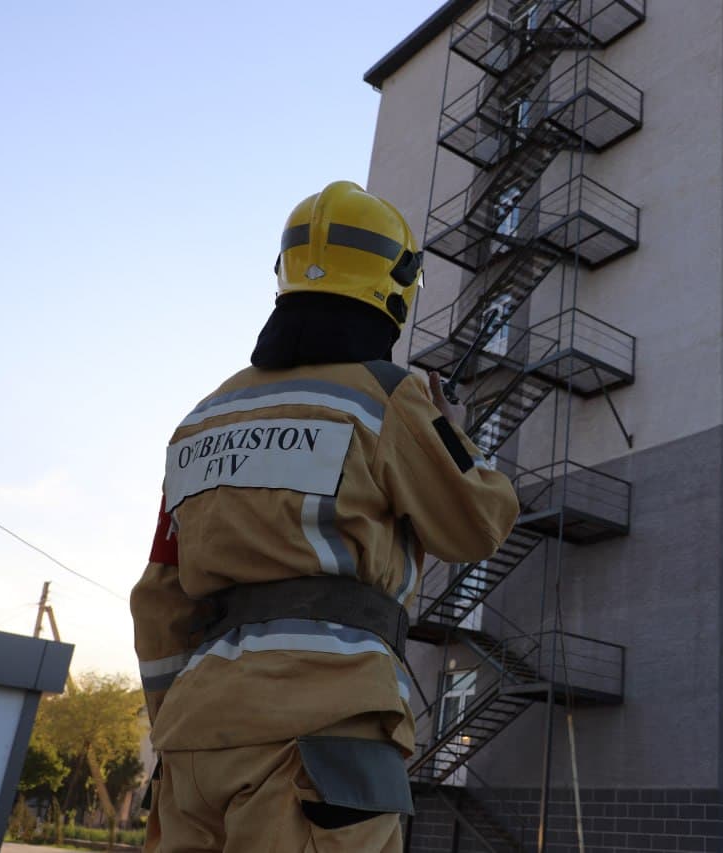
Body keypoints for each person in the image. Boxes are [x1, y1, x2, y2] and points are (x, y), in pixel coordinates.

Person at [131, 180, 519, 852]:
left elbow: (158, 599)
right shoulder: (389, 398)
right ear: (395, 287)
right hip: (321, 740)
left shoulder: (202, 418)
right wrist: (454, 431)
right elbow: (477, 523)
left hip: (193, 744)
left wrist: (182, 718)